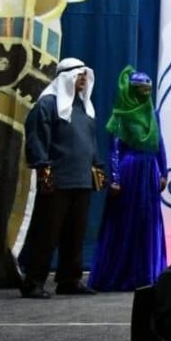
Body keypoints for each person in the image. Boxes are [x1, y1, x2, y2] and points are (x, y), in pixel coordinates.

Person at [20, 58, 104, 299]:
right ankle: (33, 281)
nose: (83, 79)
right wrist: (43, 168)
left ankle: (69, 279)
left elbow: (90, 142)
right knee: (46, 233)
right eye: (79, 75)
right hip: (57, 180)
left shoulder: (85, 107)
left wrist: (96, 165)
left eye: (85, 75)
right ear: (66, 77)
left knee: (75, 233)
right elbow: (37, 138)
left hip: (81, 180)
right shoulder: (47, 104)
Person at [88, 67, 168, 291]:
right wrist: (115, 178)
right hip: (130, 173)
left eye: (148, 89)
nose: (146, 93)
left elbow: (159, 144)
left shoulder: (153, 114)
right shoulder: (121, 114)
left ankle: (147, 273)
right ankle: (124, 272)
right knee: (126, 221)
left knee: (147, 221)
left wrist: (164, 171)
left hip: (149, 173)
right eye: (142, 89)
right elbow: (114, 149)